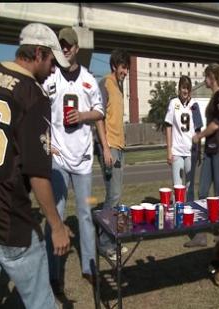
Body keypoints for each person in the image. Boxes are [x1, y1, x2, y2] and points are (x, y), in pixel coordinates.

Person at [0, 23, 72, 309]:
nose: (54, 69)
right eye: (52, 61)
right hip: (11, 219)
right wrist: (56, 225)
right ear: (39, 53)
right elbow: (37, 173)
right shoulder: (33, 95)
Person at [43, 27, 104, 293]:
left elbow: (100, 112)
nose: (65, 49)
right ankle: (53, 273)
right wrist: (44, 142)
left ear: (77, 48)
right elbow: (37, 111)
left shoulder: (89, 79)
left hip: (83, 160)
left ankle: (90, 267)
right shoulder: (50, 77)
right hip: (57, 158)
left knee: (84, 215)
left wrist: (82, 116)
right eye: (61, 45)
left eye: (69, 45)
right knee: (54, 216)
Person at [184, 63, 219, 248]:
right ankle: (201, 234)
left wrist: (199, 136)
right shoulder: (214, 97)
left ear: (213, 78)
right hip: (210, 151)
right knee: (202, 191)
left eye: (206, 77)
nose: (204, 80)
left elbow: (217, 124)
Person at [94, 49, 130, 261]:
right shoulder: (105, 83)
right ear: (115, 66)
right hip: (110, 148)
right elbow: (98, 118)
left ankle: (113, 239)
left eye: (127, 68)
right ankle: (105, 243)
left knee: (116, 196)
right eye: (123, 67)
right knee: (113, 195)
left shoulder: (118, 86)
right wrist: (106, 148)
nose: (125, 71)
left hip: (119, 147)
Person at [165, 75, 203, 203]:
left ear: (190, 90)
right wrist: (169, 150)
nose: (185, 91)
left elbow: (198, 130)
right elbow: (168, 126)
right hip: (176, 151)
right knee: (177, 187)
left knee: (190, 187)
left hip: (190, 151)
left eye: (187, 88)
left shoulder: (194, 105)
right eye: (183, 88)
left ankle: (190, 215)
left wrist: (199, 151)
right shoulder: (173, 103)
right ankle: (178, 215)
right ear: (179, 89)